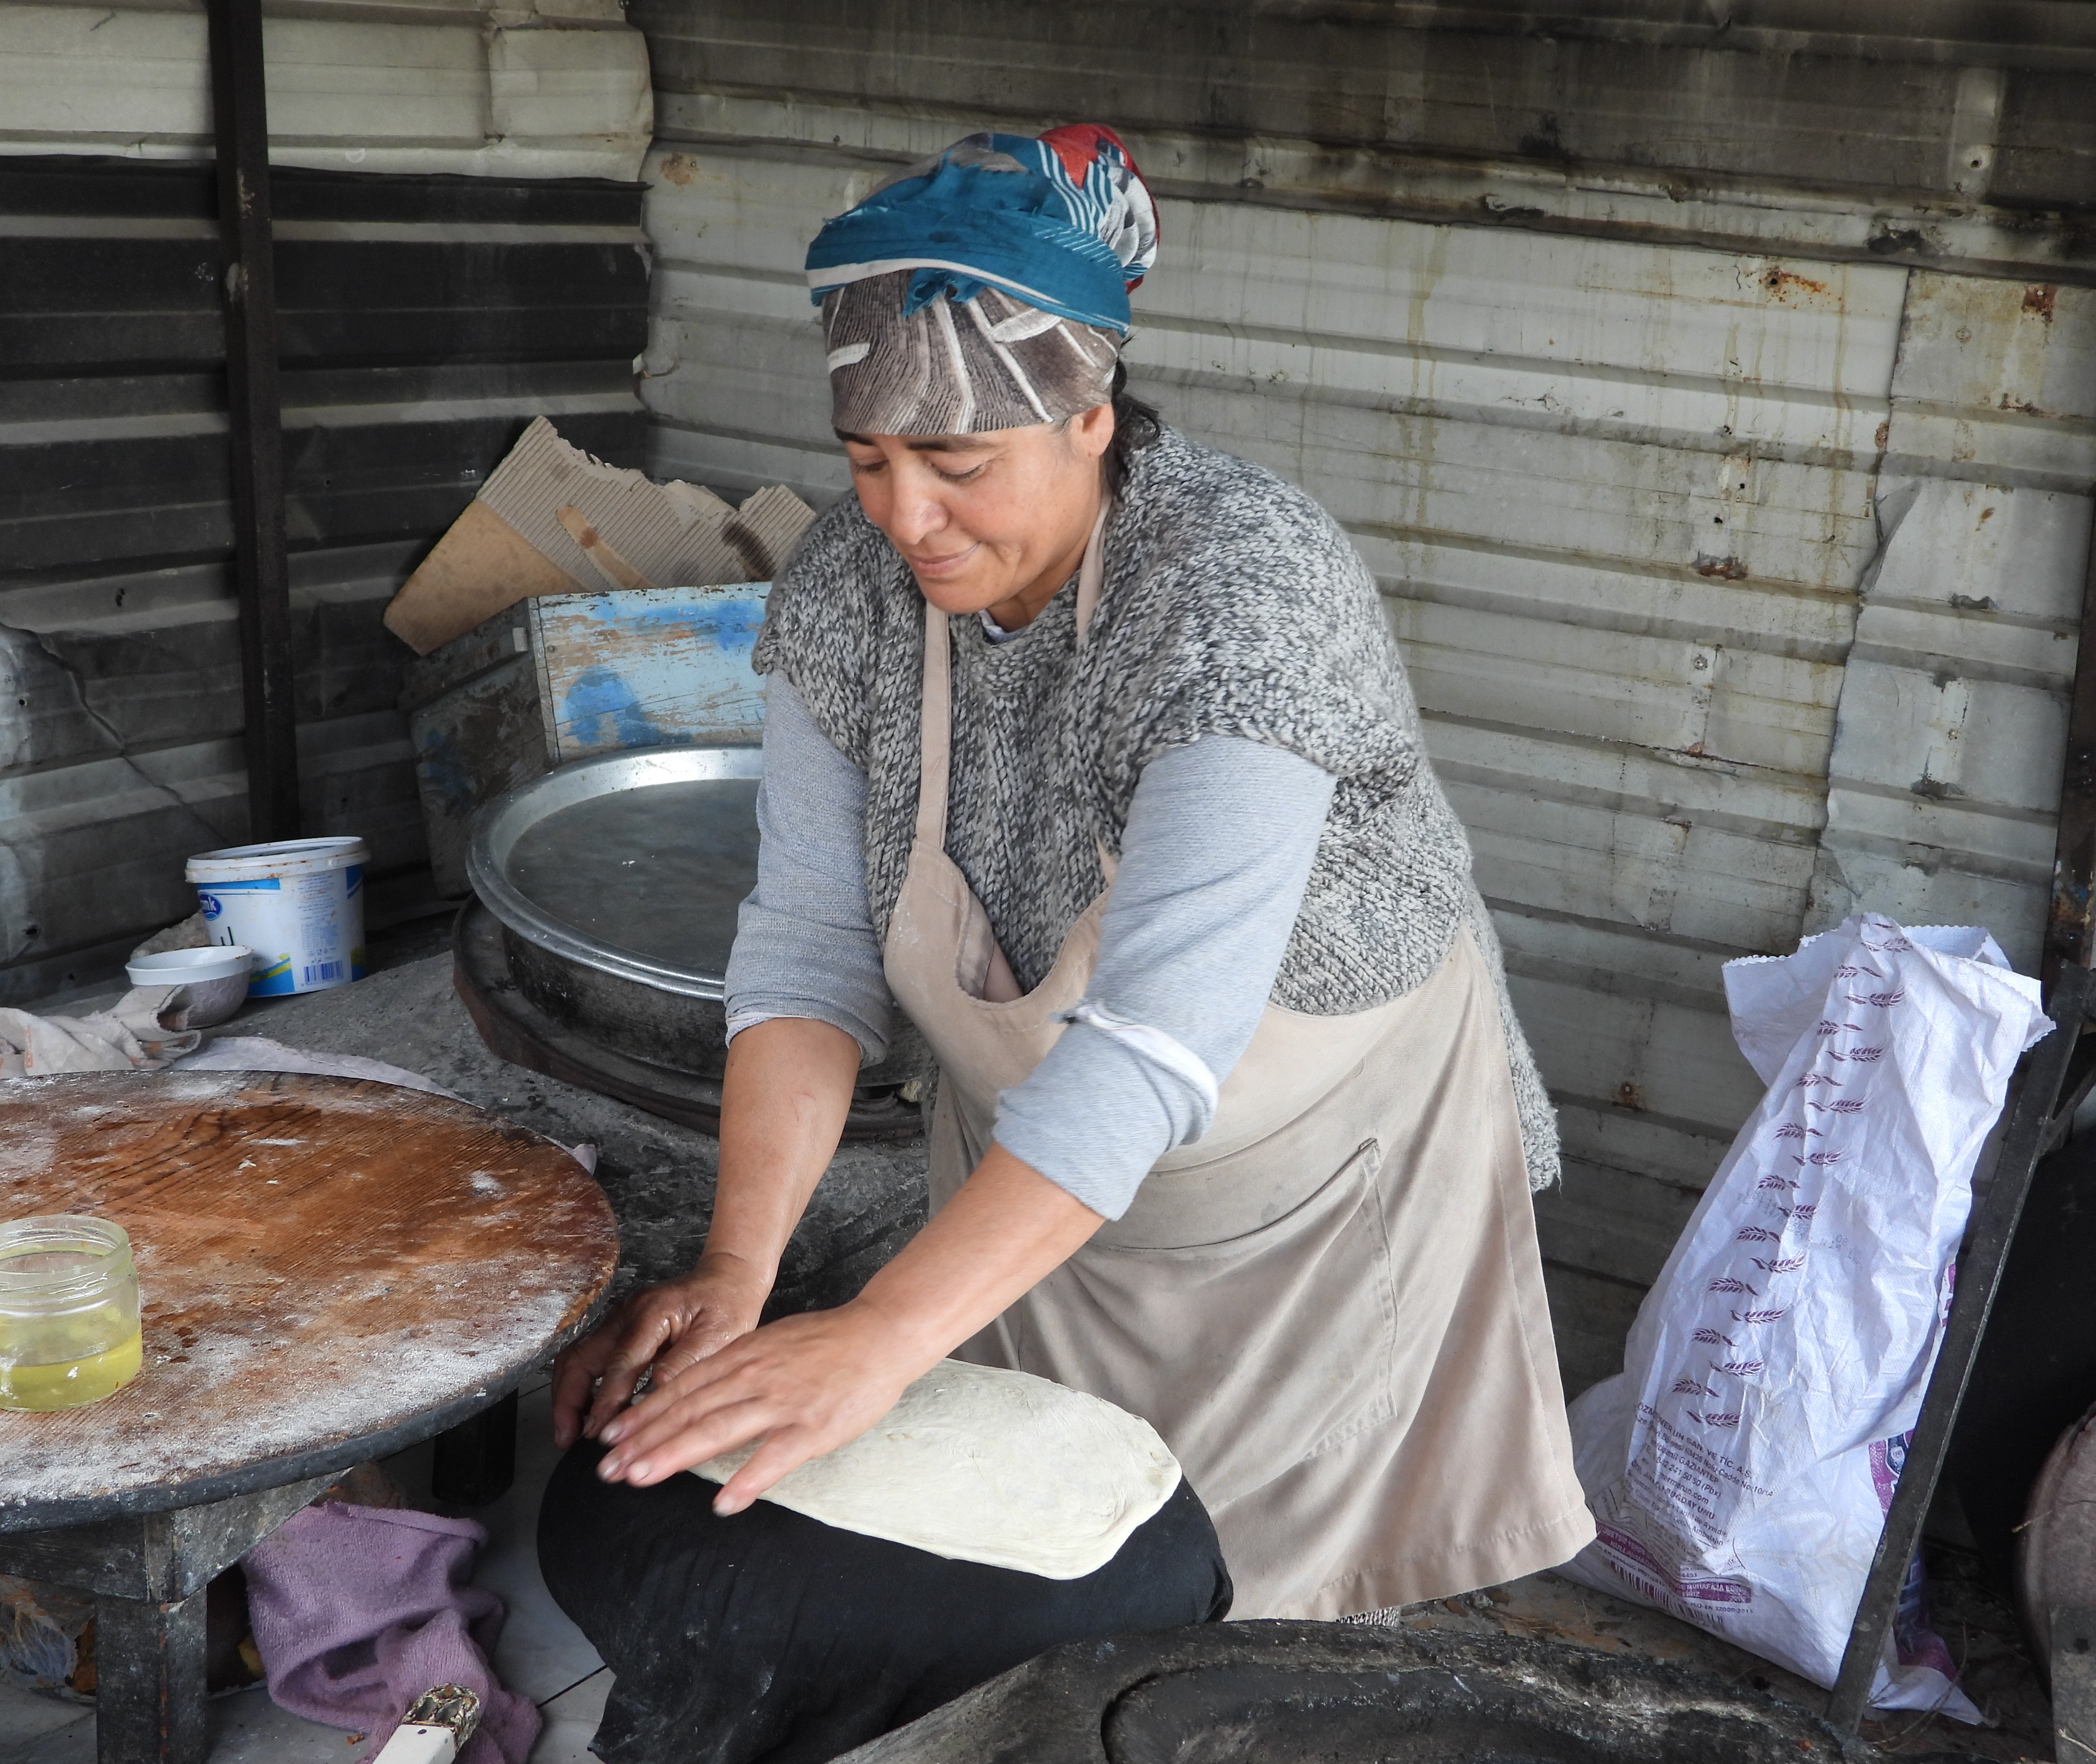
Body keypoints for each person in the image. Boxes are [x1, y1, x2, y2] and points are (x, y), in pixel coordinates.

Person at [550, 124, 1594, 1619]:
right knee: (1052, 1564)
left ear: (1091, 415)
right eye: (868, 461)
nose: (908, 517)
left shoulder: (1242, 593)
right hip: (1039, 1186)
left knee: (1289, 1614)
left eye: (959, 464)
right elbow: (806, 949)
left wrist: (883, 1333)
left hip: (1319, 1179)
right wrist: (737, 1268)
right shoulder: (852, 589)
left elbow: (1160, 1036)